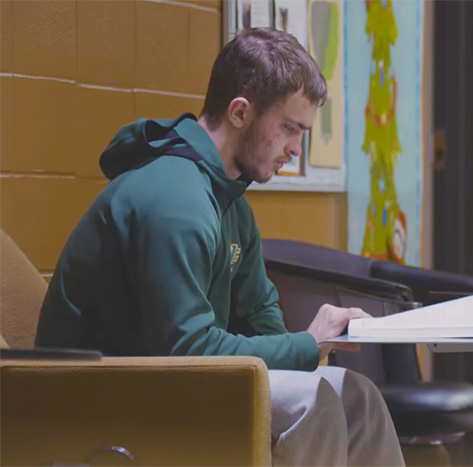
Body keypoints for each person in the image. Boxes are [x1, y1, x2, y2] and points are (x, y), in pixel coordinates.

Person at [35, 28, 404, 466]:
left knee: (356, 395)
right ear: (240, 112)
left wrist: (314, 344)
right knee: (315, 400)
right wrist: (306, 344)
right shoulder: (175, 199)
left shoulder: (231, 204)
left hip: (167, 386)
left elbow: (260, 316)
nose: (295, 149)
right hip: (97, 401)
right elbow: (186, 352)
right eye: (289, 128)